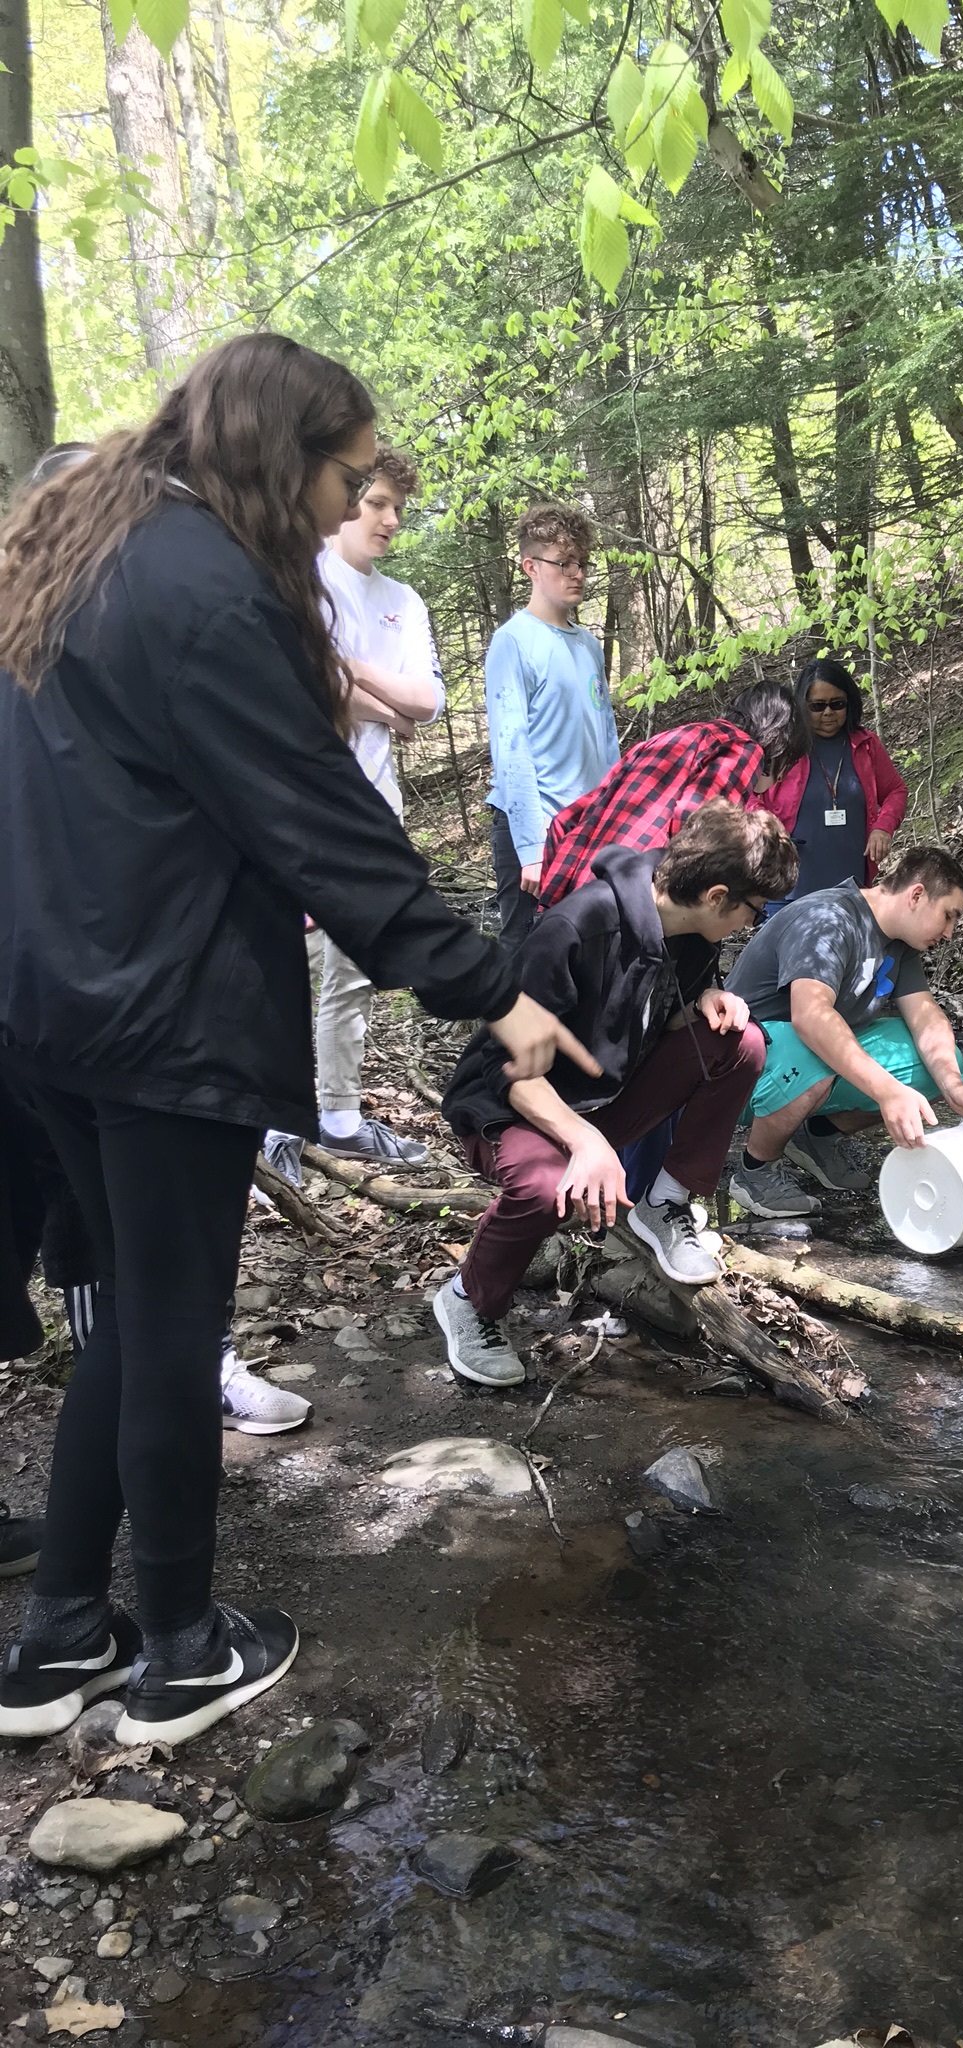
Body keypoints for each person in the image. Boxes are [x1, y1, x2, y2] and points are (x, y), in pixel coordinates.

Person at [0, 333, 596, 1744]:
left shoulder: (84, 549)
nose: (349, 505)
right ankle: (185, 1649)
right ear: (282, 453)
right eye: (343, 477)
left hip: (48, 1006)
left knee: (130, 1323)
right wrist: (495, 992)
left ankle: (61, 1640)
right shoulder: (206, 590)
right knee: (172, 1322)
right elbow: (331, 834)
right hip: (161, 1014)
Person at [437, 802, 798, 1388]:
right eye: (752, 911)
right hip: (511, 1109)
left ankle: (666, 1203)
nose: (750, 925)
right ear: (716, 895)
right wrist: (585, 1143)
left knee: (743, 1043)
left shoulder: (687, 927)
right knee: (548, 1187)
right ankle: (469, 1301)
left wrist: (703, 1000)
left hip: (605, 1098)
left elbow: (649, 1011)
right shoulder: (574, 929)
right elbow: (512, 1071)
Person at [273, 444, 447, 1171]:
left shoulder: (403, 602)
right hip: (294, 805)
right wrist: (382, 701)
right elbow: (299, 680)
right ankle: (275, 1126)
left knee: (354, 967)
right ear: (345, 499)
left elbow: (428, 705)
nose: (389, 520)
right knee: (284, 966)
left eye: (398, 509)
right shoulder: (301, 578)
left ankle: (339, 1116)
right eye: (376, 502)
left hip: (375, 809)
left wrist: (357, 677)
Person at [724, 847, 963, 1215]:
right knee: (812, 1047)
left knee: (940, 1062)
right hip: (739, 1070)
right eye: (948, 916)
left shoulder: (900, 943)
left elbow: (926, 1017)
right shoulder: (829, 918)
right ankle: (756, 1170)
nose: (951, 933)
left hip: (801, 1069)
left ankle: (819, 1137)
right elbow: (811, 1017)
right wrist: (889, 1091)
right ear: (917, 895)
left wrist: (954, 1086)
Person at [537, 681, 809, 908]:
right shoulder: (745, 749)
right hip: (630, 900)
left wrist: (552, 899)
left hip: (577, 900)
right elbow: (697, 826)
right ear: (779, 740)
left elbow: (566, 819)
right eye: (788, 763)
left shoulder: (666, 739)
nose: (781, 777)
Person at [486, 503, 619, 950]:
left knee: (586, 949)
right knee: (526, 954)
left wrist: (616, 816)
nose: (577, 573)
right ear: (531, 566)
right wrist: (529, 848)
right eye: (563, 563)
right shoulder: (513, 642)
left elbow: (607, 741)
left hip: (588, 824)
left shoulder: (589, 646)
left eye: (582, 562)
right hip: (535, 827)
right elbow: (511, 749)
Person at [753, 658, 907, 901]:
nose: (828, 712)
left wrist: (883, 827)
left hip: (851, 888)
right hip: (786, 889)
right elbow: (750, 795)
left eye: (837, 704)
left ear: (849, 703)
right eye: (817, 706)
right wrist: (766, 825)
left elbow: (895, 791)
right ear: (802, 705)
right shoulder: (782, 747)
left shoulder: (865, 745)